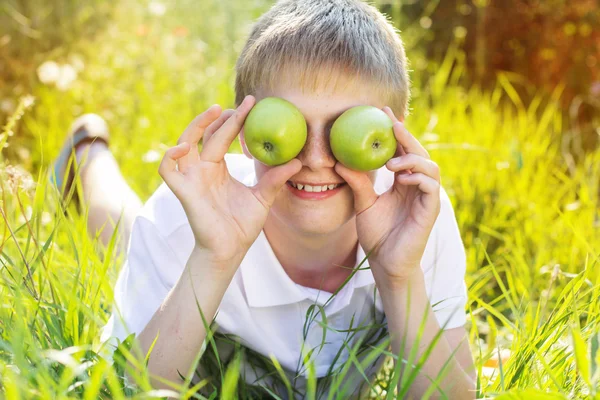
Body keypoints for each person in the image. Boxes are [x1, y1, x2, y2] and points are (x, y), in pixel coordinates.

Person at [51, 0, 476, 398]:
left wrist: (399, 276)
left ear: (394, 139)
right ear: (244, 131)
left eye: (343, 129)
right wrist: (214, 255)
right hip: (193, 240)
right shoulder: (192, 219)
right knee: (120, 232)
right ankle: (87, 155)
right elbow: (135, 389)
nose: (314, 160)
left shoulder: (416, 221)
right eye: (291, 126)